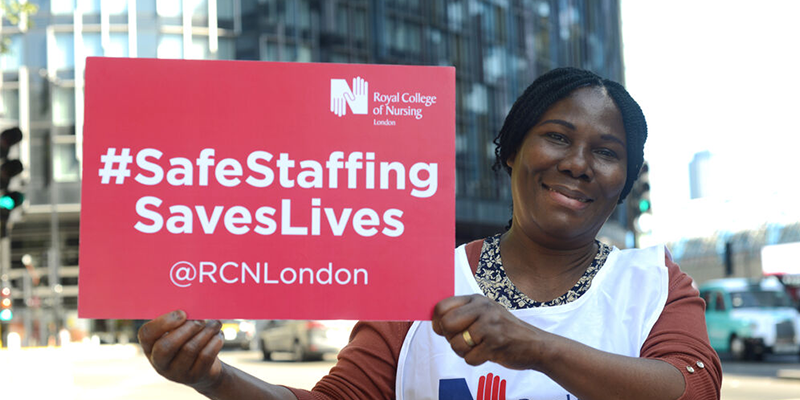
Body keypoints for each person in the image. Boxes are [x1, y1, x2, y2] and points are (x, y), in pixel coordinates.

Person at [138, 67, 722, 400]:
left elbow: (690, 393)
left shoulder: (652, 284)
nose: (579, 163)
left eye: (607, 152)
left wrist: (534, 347)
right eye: (559, 138)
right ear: (513, 148)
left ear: (624, 180)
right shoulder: (421, 282)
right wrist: (213, 377)